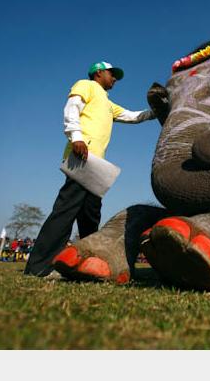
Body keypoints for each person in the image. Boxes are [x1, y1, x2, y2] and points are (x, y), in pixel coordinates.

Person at [24, 61, 155, 277]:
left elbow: (132, 116)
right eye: (112, 74)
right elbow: (71, 108)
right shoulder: (86, 85)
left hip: (97, 166)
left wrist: (155, 112)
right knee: (66, 210)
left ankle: (86, 261)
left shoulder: (107, 102)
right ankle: (39, 266)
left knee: (90, 215)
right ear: (99, 73)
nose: (114, 79)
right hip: (81, 155)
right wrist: (76, 137)